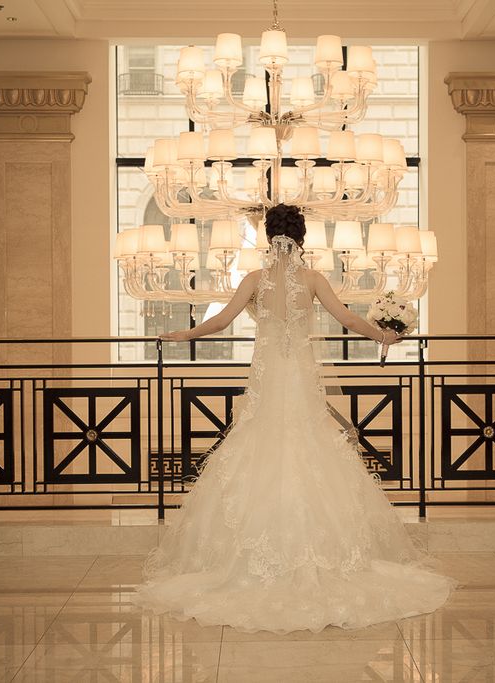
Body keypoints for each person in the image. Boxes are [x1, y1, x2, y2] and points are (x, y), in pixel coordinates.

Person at [132, 204, 454, 634]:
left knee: (258, 453)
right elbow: (347, 319)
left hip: (268, 381)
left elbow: (222, 320)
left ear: (269, 238)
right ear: (302, 238)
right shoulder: (313, 280)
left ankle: (248, 561)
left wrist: (182, 335)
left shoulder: (253, 281)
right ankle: (324, 557)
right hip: (300, 379)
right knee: (311, 453)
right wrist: (382, 335)